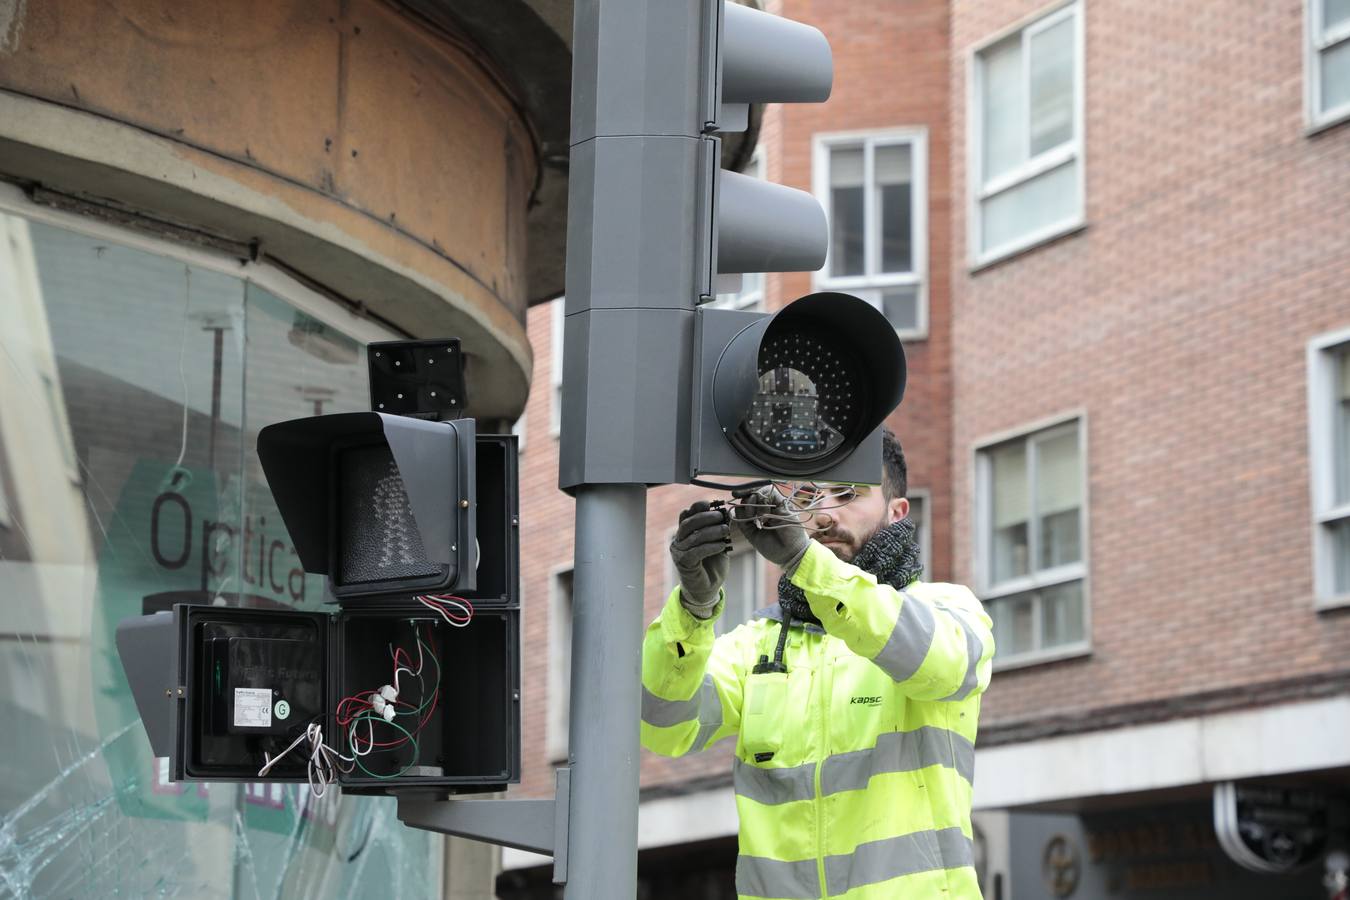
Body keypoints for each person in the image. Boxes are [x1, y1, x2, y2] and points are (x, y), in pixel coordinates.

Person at [640, 428, 994, 900]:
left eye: (848, 493)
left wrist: (807, 563)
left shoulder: (949, 608)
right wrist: (693, 610)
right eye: (807, 496)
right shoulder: (757, 644)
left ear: (897, 510)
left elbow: (937, 664)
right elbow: (662, 728)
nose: (823, 513)